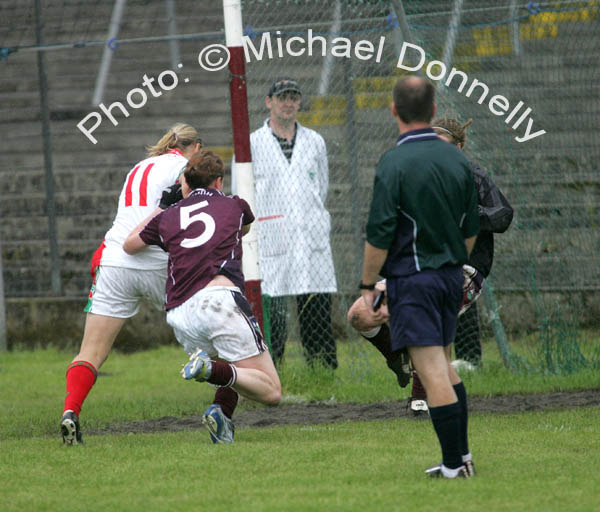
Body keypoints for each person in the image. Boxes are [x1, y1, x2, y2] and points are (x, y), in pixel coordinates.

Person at [347, 117, 514, 417]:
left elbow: (503, 215)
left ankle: (423, 400)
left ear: (459, 147)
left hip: (462, 270)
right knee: (360, 314)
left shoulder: (474, 176)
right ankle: (399, 359)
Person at [359, 76, 479, 479]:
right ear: (432, 112)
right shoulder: (459, 160)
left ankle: (453, 466)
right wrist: (450, 263)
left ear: (393, 111)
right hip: (450, 275)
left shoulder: (395, 161)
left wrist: (366, 285)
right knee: (445, 365)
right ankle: (462, 458)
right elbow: (471, 227)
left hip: (415, 279)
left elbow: (378, 234)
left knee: (431, 373)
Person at [124, 150, 281, 444]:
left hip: (181, 314)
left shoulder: (168, 217)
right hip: (218, 302)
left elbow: (130, 244)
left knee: (233, 366)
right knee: (271, 390)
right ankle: (208, 369)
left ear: (184, 183)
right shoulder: (235, 205)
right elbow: (242, 227)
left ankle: (221, 413)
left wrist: (163, 208)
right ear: (219, 182)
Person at [60, 123, 202, 445]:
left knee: (91, 351)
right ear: (195, 148)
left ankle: (71, 411)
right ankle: (223, 409)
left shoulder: (138, 167)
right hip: (159, 262)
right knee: (214, 332)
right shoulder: (186, 168)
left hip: (114, 261)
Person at [232, 77, 337, 369]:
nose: (288, 103)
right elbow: (240, 192)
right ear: (269, 102)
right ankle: (271, 368)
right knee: (272, 310)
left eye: (293, 97)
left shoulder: (315, 141)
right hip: (270, 237)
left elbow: (322, 186)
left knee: (315, 306)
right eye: (282, 97)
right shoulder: (251, 143)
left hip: (308, 233)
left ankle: (322, 367)